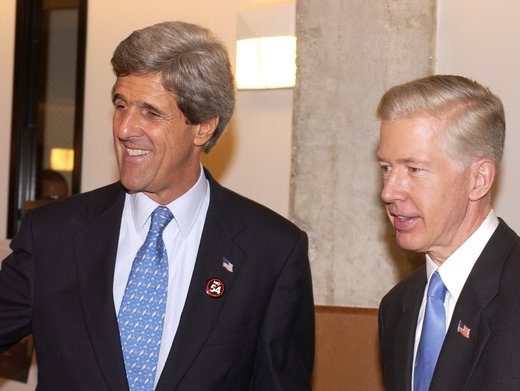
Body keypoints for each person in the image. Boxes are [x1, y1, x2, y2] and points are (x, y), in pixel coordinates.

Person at [0, 21, 314, 390]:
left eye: (150, 112)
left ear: (203, 127)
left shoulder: (271, 251)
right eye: (121, 105)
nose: (124, 127)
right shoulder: (53, 233)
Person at [376, 75, 520, 390]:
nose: (389, 192)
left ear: (479, 179)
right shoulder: (397, 306)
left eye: (414, 169)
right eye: (386, 167)